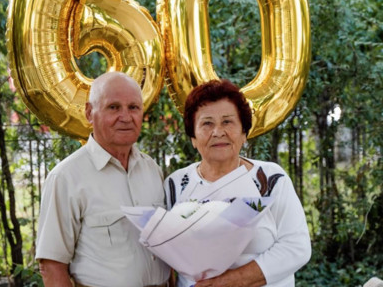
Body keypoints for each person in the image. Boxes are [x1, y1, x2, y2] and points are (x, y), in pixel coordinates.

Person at [165, 79, 311, 287]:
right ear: (193, 138)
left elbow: (297, 247)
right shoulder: (175, 185)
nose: (218, 132)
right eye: (207, 123)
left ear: (244, 133)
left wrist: (228, 282)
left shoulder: (270, 180)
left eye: (227, 122)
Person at [36, 71, 171, 287]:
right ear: (90, 113)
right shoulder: (66, 178)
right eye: (113, 107)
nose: (126, 117)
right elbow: (52, 266)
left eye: (133, 107)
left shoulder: (151, 168)